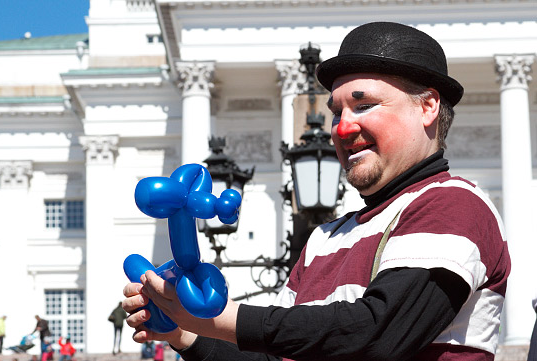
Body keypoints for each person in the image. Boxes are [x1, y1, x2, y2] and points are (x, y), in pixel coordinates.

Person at [122, 21, 511, 360]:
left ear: (427, 107)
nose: (342, 128)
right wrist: (185, 334)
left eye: (363, 105)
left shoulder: (454, 203)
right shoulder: (325, 237)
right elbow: (283, 356)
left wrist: (219, 317)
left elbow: (375, 335)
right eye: (337, 111)